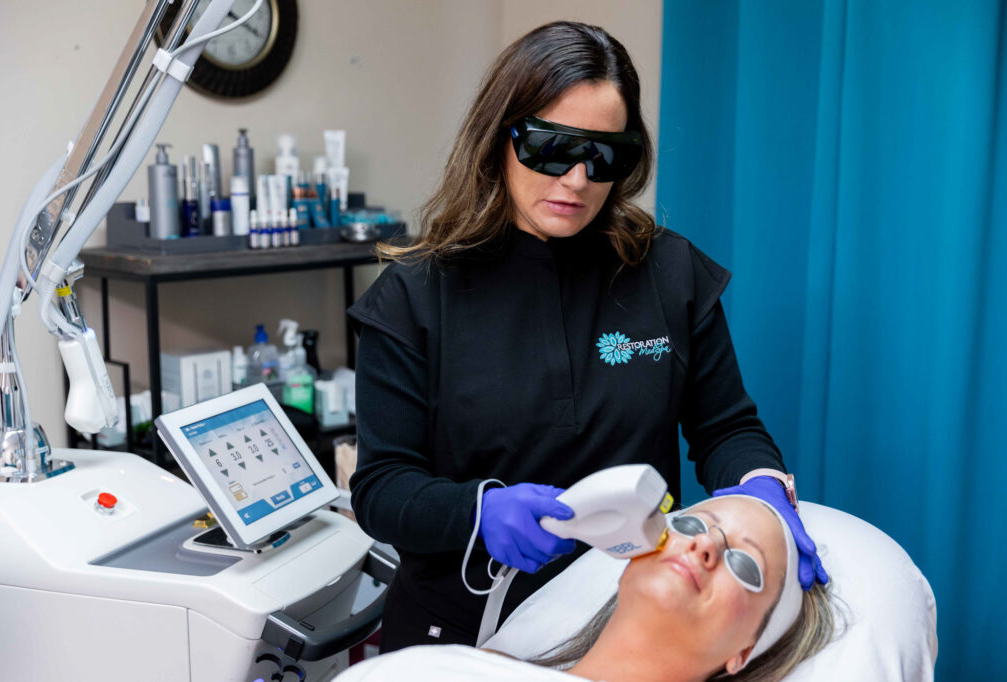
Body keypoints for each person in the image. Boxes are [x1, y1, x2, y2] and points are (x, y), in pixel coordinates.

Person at [346, 20, 828, 652]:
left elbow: (726, 428)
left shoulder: (667, 273)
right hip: (462, 633)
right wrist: (478, 511)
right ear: (500, 139)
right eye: (552, 148)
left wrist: (764, 488)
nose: (576, 180)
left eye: (603, 156)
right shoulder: (413, 296)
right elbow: (381, 488)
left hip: (622, 619)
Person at [336, 495, 836, 681]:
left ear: (744, 652)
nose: (705, 543)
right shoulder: (447, 668)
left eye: (745, 565)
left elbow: (726, 415)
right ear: (627, 561)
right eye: (688, 525)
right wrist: (472, 508)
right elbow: (380, 481)